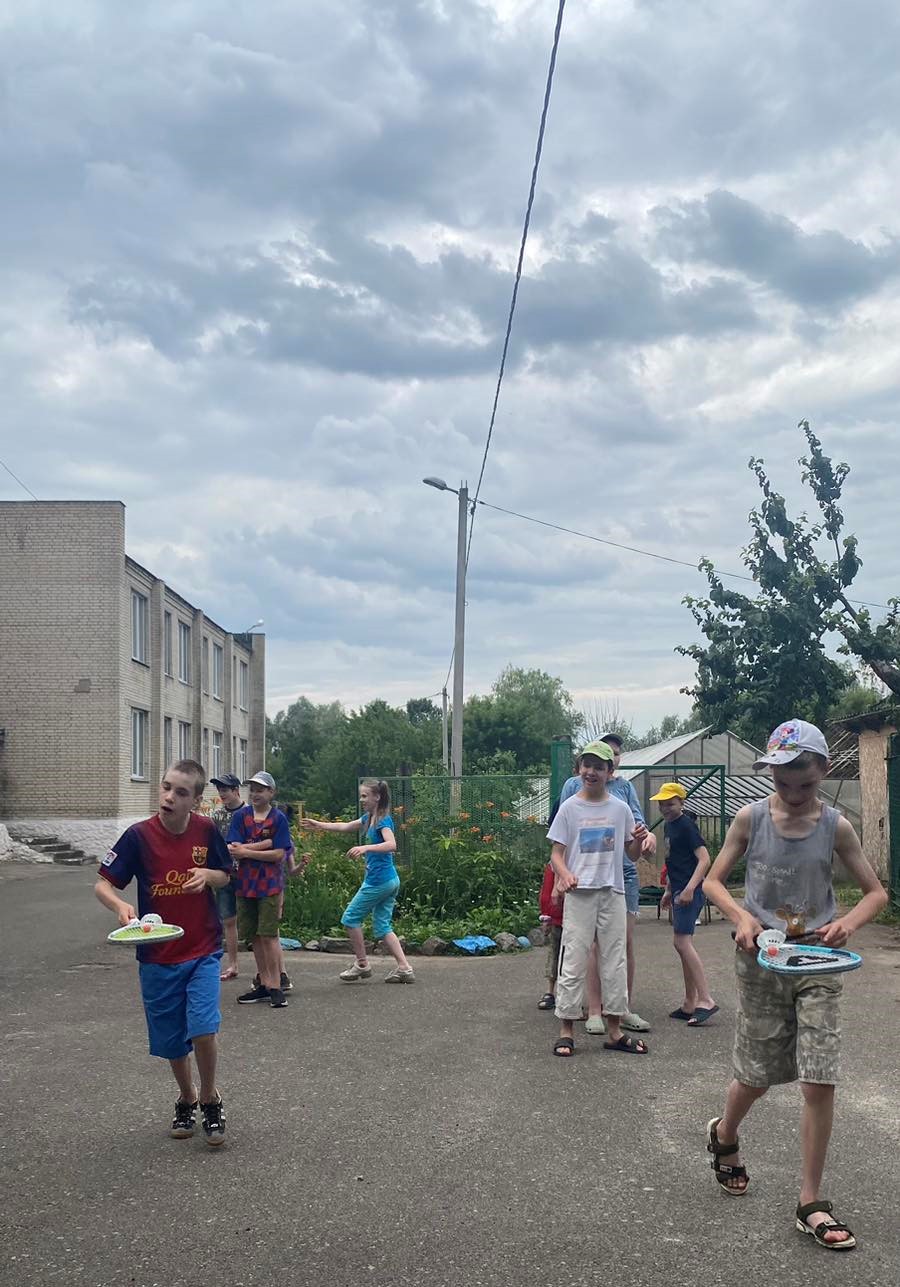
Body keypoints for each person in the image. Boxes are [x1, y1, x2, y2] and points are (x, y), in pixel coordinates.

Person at [702, 719, 887, 1249]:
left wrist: (848, 924)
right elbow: (714, 881)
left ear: (823, 771)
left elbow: (876, 893)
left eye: (804, 783)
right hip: (761, 960)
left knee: (818, 1078)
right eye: (782, 783)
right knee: (757, 1074)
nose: (793, 793)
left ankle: (811, 1202)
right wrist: (741, 916)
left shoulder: (837, 827)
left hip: (819, 964)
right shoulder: (750, 818)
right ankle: (725, 1133)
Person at [94, 760, 231, 1145]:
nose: (169, 797)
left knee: (203, 1027)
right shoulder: (138, 836)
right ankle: (187, 1097)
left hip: (202, 948)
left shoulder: (206, 831)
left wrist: (208, 875)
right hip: (157, 955)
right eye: (166, 787)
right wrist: (119, 906)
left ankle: (210, 1098)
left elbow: (225, 874)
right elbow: (102, 884)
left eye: (181, 792)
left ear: (196, 801)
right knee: (171, 1040)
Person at [547, 740, 649, 1056]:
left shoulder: (620, 809)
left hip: (612, 892)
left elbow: (632, 855)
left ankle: (615, 1031)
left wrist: (638, 840)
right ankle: (566, 1031)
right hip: (579, 895)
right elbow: (556, 854)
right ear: (579, 768)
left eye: (599, 767)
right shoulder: (569, 808)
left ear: (610, 772)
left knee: (615, 960)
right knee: (573, 959)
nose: (591, 772)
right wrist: (564, 875)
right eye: (587, 765)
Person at [300, 779, 415, 983]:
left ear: (377, 797)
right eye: (361, 796)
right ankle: (404, 968)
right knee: (383, 927)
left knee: (350, 918)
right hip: (388, 880)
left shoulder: (382, 820)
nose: (361, 800)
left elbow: (392, 844)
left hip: (379, 882)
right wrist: (319, 825)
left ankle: (362, 964)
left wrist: (365, 848)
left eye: (364, 796)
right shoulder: (369, 818)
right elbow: (344, 826)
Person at [651, 782, 717, 1025]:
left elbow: (704, 859)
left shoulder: (686, 825)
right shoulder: (669, 826)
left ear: (681, 803)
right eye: (662, 804)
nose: (665, 808)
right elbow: (674, 861)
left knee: (682, 942)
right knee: (682, 945)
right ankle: (690, 1002)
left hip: (690, 891)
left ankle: (706, 999)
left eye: (670, 803)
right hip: (678, 889)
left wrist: (690, 888)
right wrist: (669, 889)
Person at [228, 771, 292, 1009]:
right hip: (245, 884)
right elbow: (234, 848)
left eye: (260, 790)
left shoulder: (278, 819)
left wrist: (248, 851)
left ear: (271, 792)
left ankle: (276, 986)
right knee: (254, 935)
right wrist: (264, 844)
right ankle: (264, 983)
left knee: (269, 935)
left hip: (269, 885)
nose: (255, 794)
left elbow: (279, 854)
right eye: (252, 789)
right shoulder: (241, 816)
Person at [209, 773, 244, 981]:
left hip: (248, 873)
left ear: (236, 790)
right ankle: (233, 964)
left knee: (253, 921)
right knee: (228, 919)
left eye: (225, 790)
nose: (222, 794)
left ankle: (267, 968)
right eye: (219, 790)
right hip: (225, 873)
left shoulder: (248, 813)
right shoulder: (217, 816)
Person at [536, 861, 564, 1009]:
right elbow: (546, 893)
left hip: (576, 917)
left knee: (574, 958)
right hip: (556, 918)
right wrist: (546, 916)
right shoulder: (552, 865)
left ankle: (570, 995)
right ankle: (550, 991)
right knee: (554, 954)